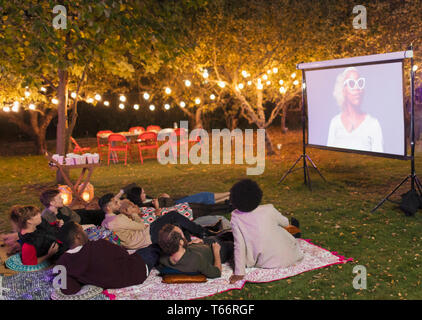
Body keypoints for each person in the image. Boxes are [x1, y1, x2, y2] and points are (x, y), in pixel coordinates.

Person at [99, 192, 217, 269]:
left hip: (136, 241)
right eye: (115, 202)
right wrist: (134, 214)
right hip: (145, 237)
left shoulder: (105, 222)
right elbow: (141, 226)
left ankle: (189, 242)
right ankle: (203, 233)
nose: (119, 203)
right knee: (173, 215)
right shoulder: (118, 219)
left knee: (175, 224)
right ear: (109, 208)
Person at [228, 179, 304, 284]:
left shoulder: (236, 217)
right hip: (292, 256)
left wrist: (239, 273)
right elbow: (285, 222)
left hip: (268, 262)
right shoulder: (269, 209)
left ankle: (295, 232)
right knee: (279, 229)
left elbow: (239, 246)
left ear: (234, 199)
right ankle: (295, 232)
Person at [55, 221, 149, 295]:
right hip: (135, 272)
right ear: (78, 236)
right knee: (151, 249)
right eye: (82, 229)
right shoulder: (99, 245)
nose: (85, 232)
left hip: (115, 280)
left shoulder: (62, 263)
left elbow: (69, 289)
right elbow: (124, 254)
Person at [327, 66, 383, 152]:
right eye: (351, 83)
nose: (357, 88)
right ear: (343, 90)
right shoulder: (335, 122)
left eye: (360, 83)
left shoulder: (373, 124)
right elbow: (329, 154)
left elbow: (380, 158)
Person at [157, 224, 234, 279]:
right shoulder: (196, 259)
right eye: (181, 234)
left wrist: (190, 244)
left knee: (226, 234)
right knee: (235, 242)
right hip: (217, 249)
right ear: (181, 242)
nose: (183, 235)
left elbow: (177, 250)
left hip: (205, 243)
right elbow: (217, 273)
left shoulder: (163, 258)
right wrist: (216, 252)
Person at [125, 185, 232, 219]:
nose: (145, 194)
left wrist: (163, 196)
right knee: (204, 197)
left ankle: (229, 195)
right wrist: (166, 198)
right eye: (142, 193)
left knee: (204, 198)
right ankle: (230, 195)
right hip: (177, 205)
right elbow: (164, 208)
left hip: (177, 202)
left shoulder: (147, 199)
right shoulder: (143, 206)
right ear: (138, 197)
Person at [40, 189, 105, 226]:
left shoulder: (63, 208)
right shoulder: (46, 217)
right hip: (79, 224)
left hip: (78, 216)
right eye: (59, 198)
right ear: (52, 203)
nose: (62, 199)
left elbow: (76, 217)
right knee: (98, 219)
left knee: (99, 213)